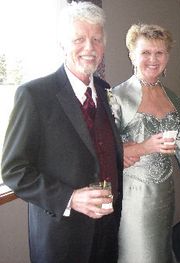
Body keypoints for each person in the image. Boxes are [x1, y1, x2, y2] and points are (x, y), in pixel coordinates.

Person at [1, 2, 123, 263]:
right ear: (62, 44)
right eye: (79, 39)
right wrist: (70, 198)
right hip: (62, 235)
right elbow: (14, 170)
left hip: (106, 227)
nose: (89, 47)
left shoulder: (104, 90)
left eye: (96, 39)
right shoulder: (34, 95)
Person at [108, 23, 180, 262]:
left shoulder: (173, 99)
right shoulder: (117, 97)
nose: (153, 59)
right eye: (145, 52)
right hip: (133, 196)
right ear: (132, 55)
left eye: (160, 53)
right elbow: (104, 149)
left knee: (162, 252)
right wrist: (136, 148)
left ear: (167, 56)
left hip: (165, 194)